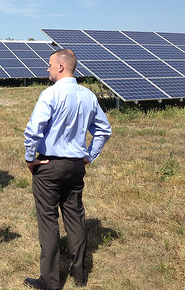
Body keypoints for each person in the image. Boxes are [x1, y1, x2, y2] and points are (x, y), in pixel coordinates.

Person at [23, 49, 112, 290]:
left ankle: (50, 281)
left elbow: (33, 130)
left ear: (61, 67)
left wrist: (30, 158)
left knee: (48, 220)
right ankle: (80, 274)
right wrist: (88, 156)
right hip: (75, 166)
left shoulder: (50, 94)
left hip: (50, 165)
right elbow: (104, 130)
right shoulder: (88, 95)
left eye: (50, 64)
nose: (47, 68)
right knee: (75, 217)